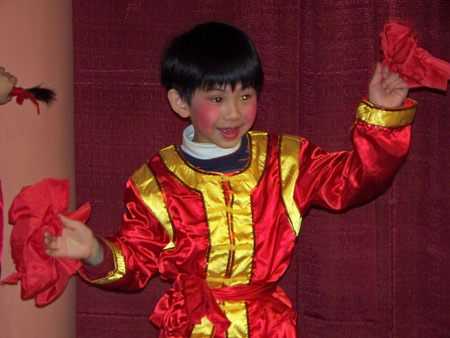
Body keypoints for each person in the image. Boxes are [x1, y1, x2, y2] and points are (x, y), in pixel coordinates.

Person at [35, 21, 416, 337]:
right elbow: (134, 261)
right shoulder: (157, 183)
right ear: (180, 103)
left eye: (246, 96)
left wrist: (381, 115)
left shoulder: (286, 161)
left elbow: (358, 177)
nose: (234, 113)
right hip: (194, 327)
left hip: (269, 326)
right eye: (217, 99)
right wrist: (94, 251)